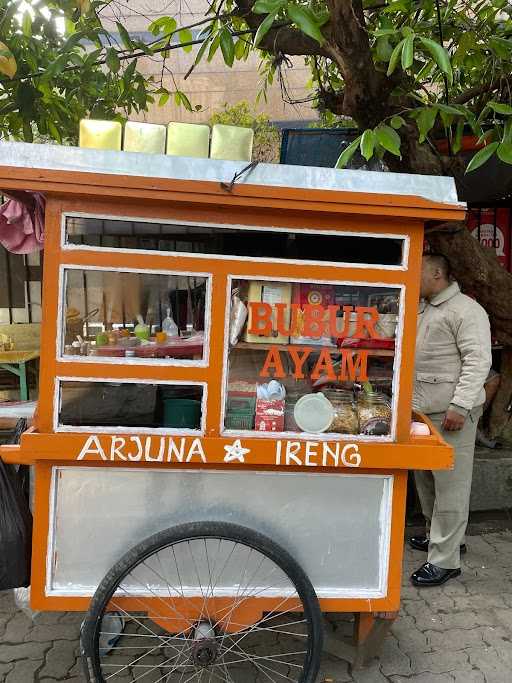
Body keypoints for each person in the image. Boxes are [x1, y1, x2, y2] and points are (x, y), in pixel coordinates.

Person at [410, 254, 492, 587]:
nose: (410, 278)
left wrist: (460, 405)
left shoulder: (466, 310)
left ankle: (446, 561)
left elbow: (478, 361)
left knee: (451, 487)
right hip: (424, 410)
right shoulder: (427, 307)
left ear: (437, 273)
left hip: (451, 414)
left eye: (417, 272)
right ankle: (439, 537)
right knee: (426, 481)